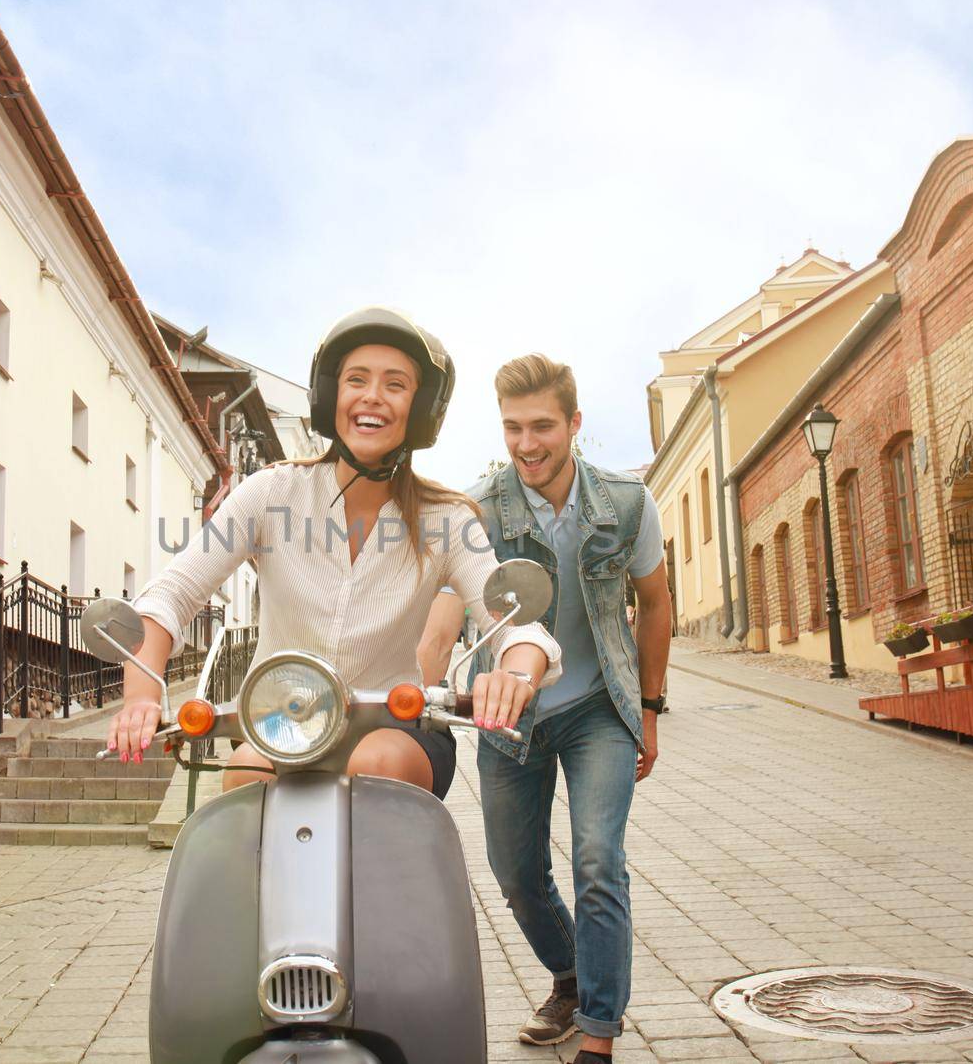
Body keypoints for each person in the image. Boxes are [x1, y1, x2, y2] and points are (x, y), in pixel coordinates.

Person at [107, 308, 561, 800]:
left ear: (421, 407)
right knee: (245, 772)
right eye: (356, 380)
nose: (372, 396)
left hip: (398, 730)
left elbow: (514, 623)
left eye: (395, 384)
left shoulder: (449, 518)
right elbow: (172, 594)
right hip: (283, 727)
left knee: (376, 762)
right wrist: (141, 696)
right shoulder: (269, 493)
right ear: (331, 397)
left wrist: (514, 673)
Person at [419, 353, 671, 1064]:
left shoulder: (625, 502)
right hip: (509, 718)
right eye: (512, 429)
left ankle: (598, 1031)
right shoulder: (478, 509)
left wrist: (649, 709)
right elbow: (442, 621)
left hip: (599, 708)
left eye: (542, 427)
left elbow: (655, 604)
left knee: (598, 859)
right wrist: (423, 693)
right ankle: (569, 976)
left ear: (575, 423)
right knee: (518, 877)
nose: (527, 444)